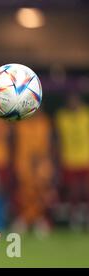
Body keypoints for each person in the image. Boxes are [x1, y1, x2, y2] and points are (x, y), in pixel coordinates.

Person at [56, 94, 89, 230]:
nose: (73, 103)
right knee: (72, 191)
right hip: (68, 160)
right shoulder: (62, 117)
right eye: (70, 100)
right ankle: (74, 219)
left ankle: (86, 218)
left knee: (85, 191)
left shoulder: (86, 115)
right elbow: (58, 139)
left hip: (85, 159)